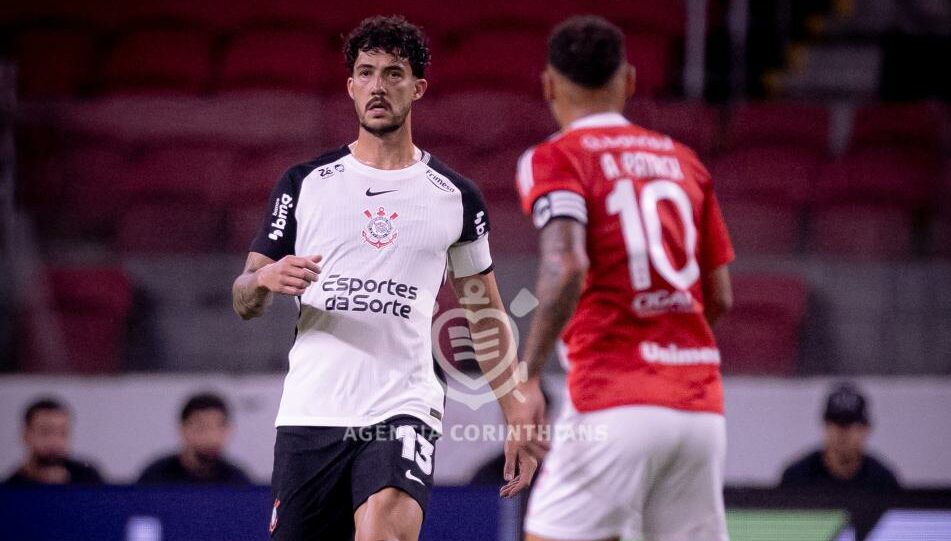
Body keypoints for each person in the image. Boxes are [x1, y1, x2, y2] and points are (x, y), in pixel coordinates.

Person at [231, 15, 545, 541]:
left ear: (417, 88)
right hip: (312, 409)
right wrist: (264, 280)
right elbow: (243, 296)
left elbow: (485, 315)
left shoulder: (455, 196)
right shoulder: (303, 183)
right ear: (351, 85)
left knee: (386, 532)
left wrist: (515, 412)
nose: (379, 86)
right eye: (367, 72)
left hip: (403, 404)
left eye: (394, 73)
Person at [514, 16, 735, 541]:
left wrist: (527, 377)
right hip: (700, 412)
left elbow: (565, 264)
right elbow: (720, 295)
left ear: (548, 85)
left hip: (610, 401)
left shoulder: (555, 158)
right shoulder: (684, 163)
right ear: (629, 81)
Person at [780, 383, 900, 491]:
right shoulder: (797, 478)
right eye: (836, 423)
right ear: (825, 427)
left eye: (850, 424)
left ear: (865, 429)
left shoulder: (882, 481)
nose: (842, 432)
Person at [137, 392, 251, 485]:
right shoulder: (156, 478)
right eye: (201, 428)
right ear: (183, 429)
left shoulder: (238, 482)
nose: (211, 437)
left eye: (220, 427)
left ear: (229, 430)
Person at [4, 397, 104, 485]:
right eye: (45, 432)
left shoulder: (89, 479)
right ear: (25, 436)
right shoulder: (10, 490)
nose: (55, 441)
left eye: (63, 433)